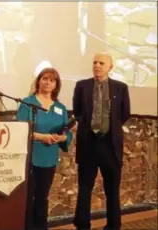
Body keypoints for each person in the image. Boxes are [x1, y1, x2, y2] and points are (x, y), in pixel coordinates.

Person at [72, 52, 130, 230]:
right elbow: (78, 112)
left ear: (110, 67)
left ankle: (113, 225)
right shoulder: (82, 86)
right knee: (84, 188)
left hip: (110, 146)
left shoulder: (121, 87)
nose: (97, 65)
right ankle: (82, 225)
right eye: (95, 62)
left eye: (101, 63)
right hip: (88, 145)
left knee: (112, 190)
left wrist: (106, 127)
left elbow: (124, 114)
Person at [17, 67, 73, 230]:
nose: (47, 82)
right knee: (28, 198)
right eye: (45, 78)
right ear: (39, 81)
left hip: (49, 159)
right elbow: (21, 129)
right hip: (31, 157)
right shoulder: (28, 103)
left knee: (42, 197)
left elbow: (66, 133)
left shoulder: (60, 108)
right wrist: (43, 137)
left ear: (56, 85)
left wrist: (62, 137)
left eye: (52, 80)